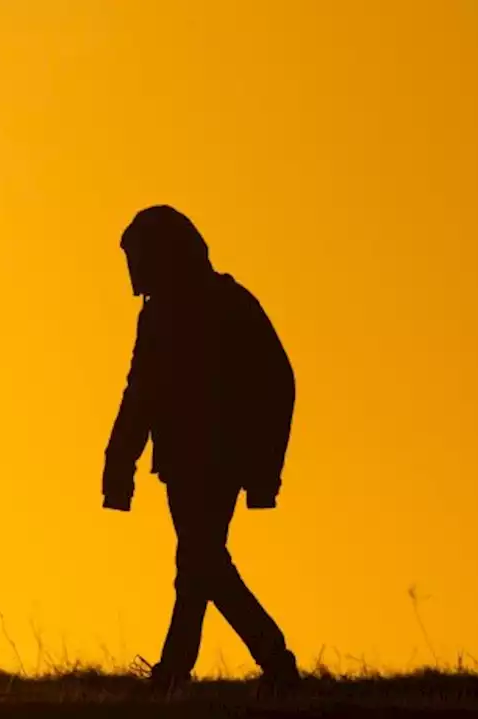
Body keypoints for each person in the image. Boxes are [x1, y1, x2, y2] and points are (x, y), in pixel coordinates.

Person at [102, 205, 300, 694]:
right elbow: (141, 393)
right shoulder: (158, 315)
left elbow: (277, 386)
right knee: (200, 563)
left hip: (220, 463)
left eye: (140, 257)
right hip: (180, 465)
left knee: (201, 562)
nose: (134, 270)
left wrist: (263, 472)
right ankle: (193, 668)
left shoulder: (228, 306)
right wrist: (118, 466)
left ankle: (262, 658)